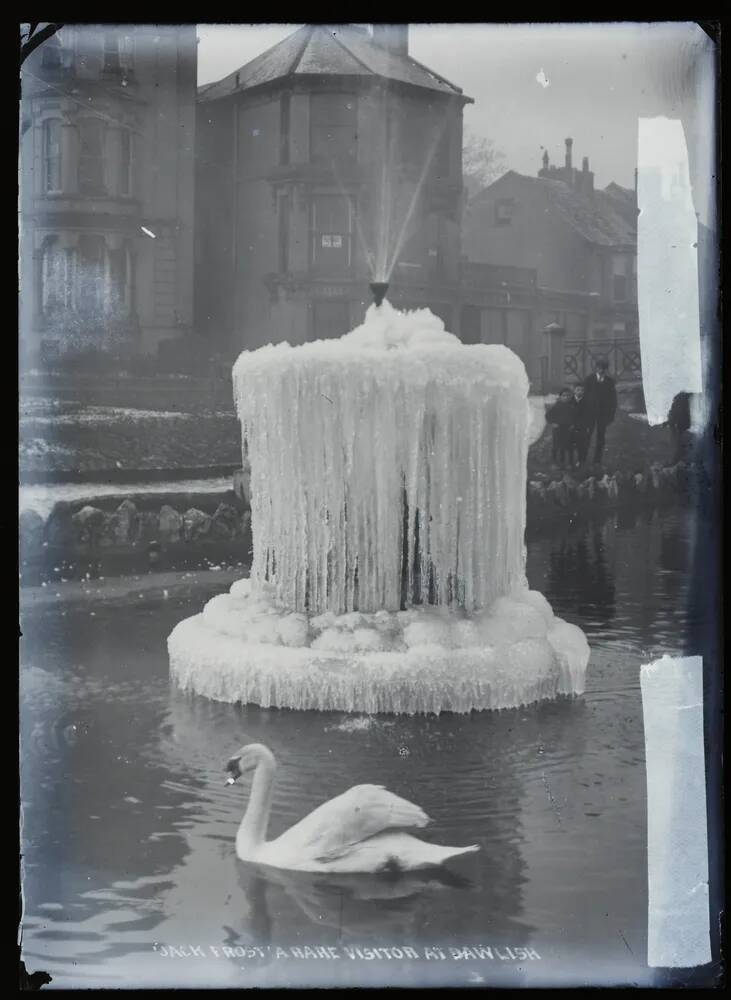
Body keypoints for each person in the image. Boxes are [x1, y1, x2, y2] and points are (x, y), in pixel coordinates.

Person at [583, 358, 617, 465]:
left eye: (603, 369)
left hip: (603, 414)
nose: (601, 371)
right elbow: (584, 396)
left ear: (606, 369)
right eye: (599, 368)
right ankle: (582, 458)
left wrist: (610, 415)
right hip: (590, 413)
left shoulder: (609, 382)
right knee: (587, 435)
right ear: (596, 368)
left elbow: (613, 400)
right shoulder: (589, 380)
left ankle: (597, 460)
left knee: (601, 436)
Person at [546, 388, 576, 468]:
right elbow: (548, 415)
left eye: (567, 396)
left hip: (568, 429)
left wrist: (573, 424)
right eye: (563, 396)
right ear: (560, 397)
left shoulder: (571, 406)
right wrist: (553, 423)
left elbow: (575, 417)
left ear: (570, 396)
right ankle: (554, 462)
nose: (565, 397)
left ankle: (569, 463)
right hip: (558, 429)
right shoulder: (557, 405)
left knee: (569, 446)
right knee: (556, 446)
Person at [571, 383, 593, 466]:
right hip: (572, 427)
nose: (580, 392)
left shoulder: (587, 402)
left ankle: (581, 460)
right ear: (574, 390)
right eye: (578, 390)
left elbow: (590, 416)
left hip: (583, 427)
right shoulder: (570, 401)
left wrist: (588, 427)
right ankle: (570, 461)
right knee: (570, 444)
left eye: (582, 390)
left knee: (583, 445)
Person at [666, 391, 691, 463]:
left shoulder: (679, 398)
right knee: (678, 440)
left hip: (680, 424)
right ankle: (679, 457)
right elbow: (674, 412)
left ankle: (679, 457)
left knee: (679, 440)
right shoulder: (680, 397)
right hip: (680, 424)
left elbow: (675, 412)